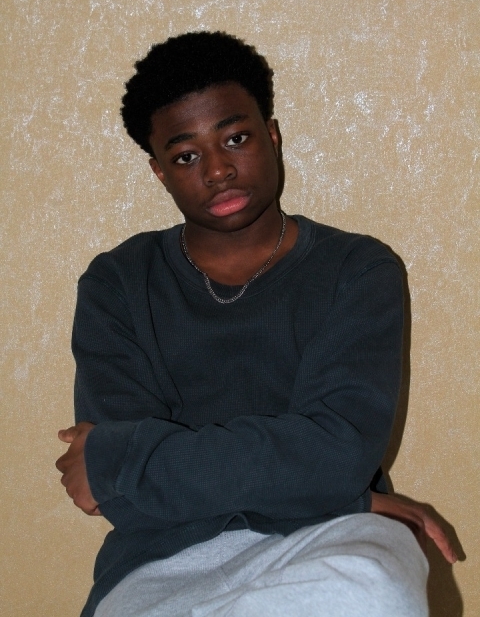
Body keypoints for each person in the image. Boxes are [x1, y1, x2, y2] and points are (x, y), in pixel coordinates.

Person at [56, 32, 456, 617]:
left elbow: (339, 452)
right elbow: (118, 496)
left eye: (235, 138)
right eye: (186, 156)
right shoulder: (117, 282)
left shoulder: (356, 268)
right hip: (161, 554)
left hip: (330, 535)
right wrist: (338, 489)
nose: (218, 170)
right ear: (159, 172)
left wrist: (130, 457)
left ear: (272, 135)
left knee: (373, 590)